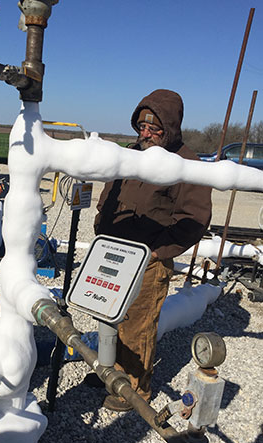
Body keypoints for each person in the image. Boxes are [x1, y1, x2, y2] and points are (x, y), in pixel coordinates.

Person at [87, 89, 212, 412]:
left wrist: (158, 252)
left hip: (148, 259)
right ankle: (109, 372)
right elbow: (109, 194)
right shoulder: (132, 154)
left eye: (154, 129)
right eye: (141, 127)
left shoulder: (187, 165)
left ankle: (135, 388)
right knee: (108, 315)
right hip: (113, 253)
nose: (146, 134)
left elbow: (195, 219)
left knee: (137, 325)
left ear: (170, 127)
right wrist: (102, 228)